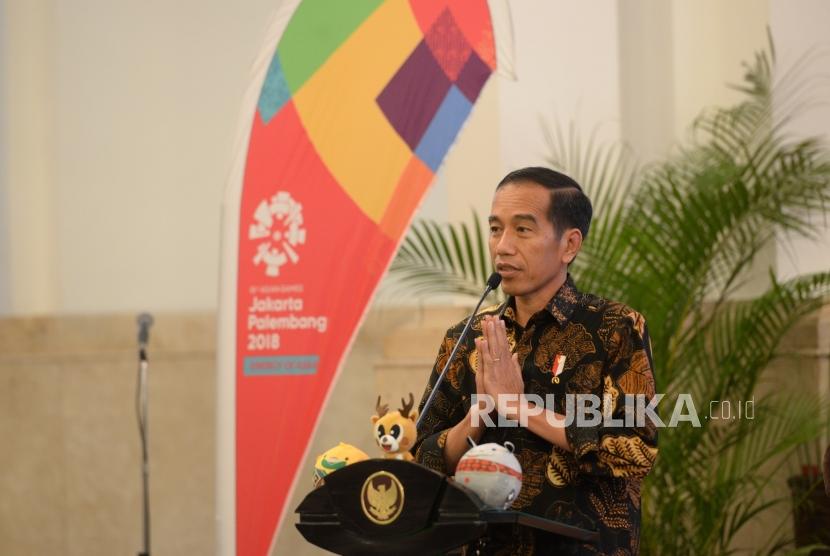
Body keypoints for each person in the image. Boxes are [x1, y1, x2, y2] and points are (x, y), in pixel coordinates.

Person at [412, 167, 659, 555]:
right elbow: (421, 458)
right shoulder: (468, 337)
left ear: (569, 245)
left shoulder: (614, 327)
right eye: (495, 229)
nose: (502, 246)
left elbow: (636, 446)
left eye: (523, 230)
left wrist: (519, 407)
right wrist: (480, 414)